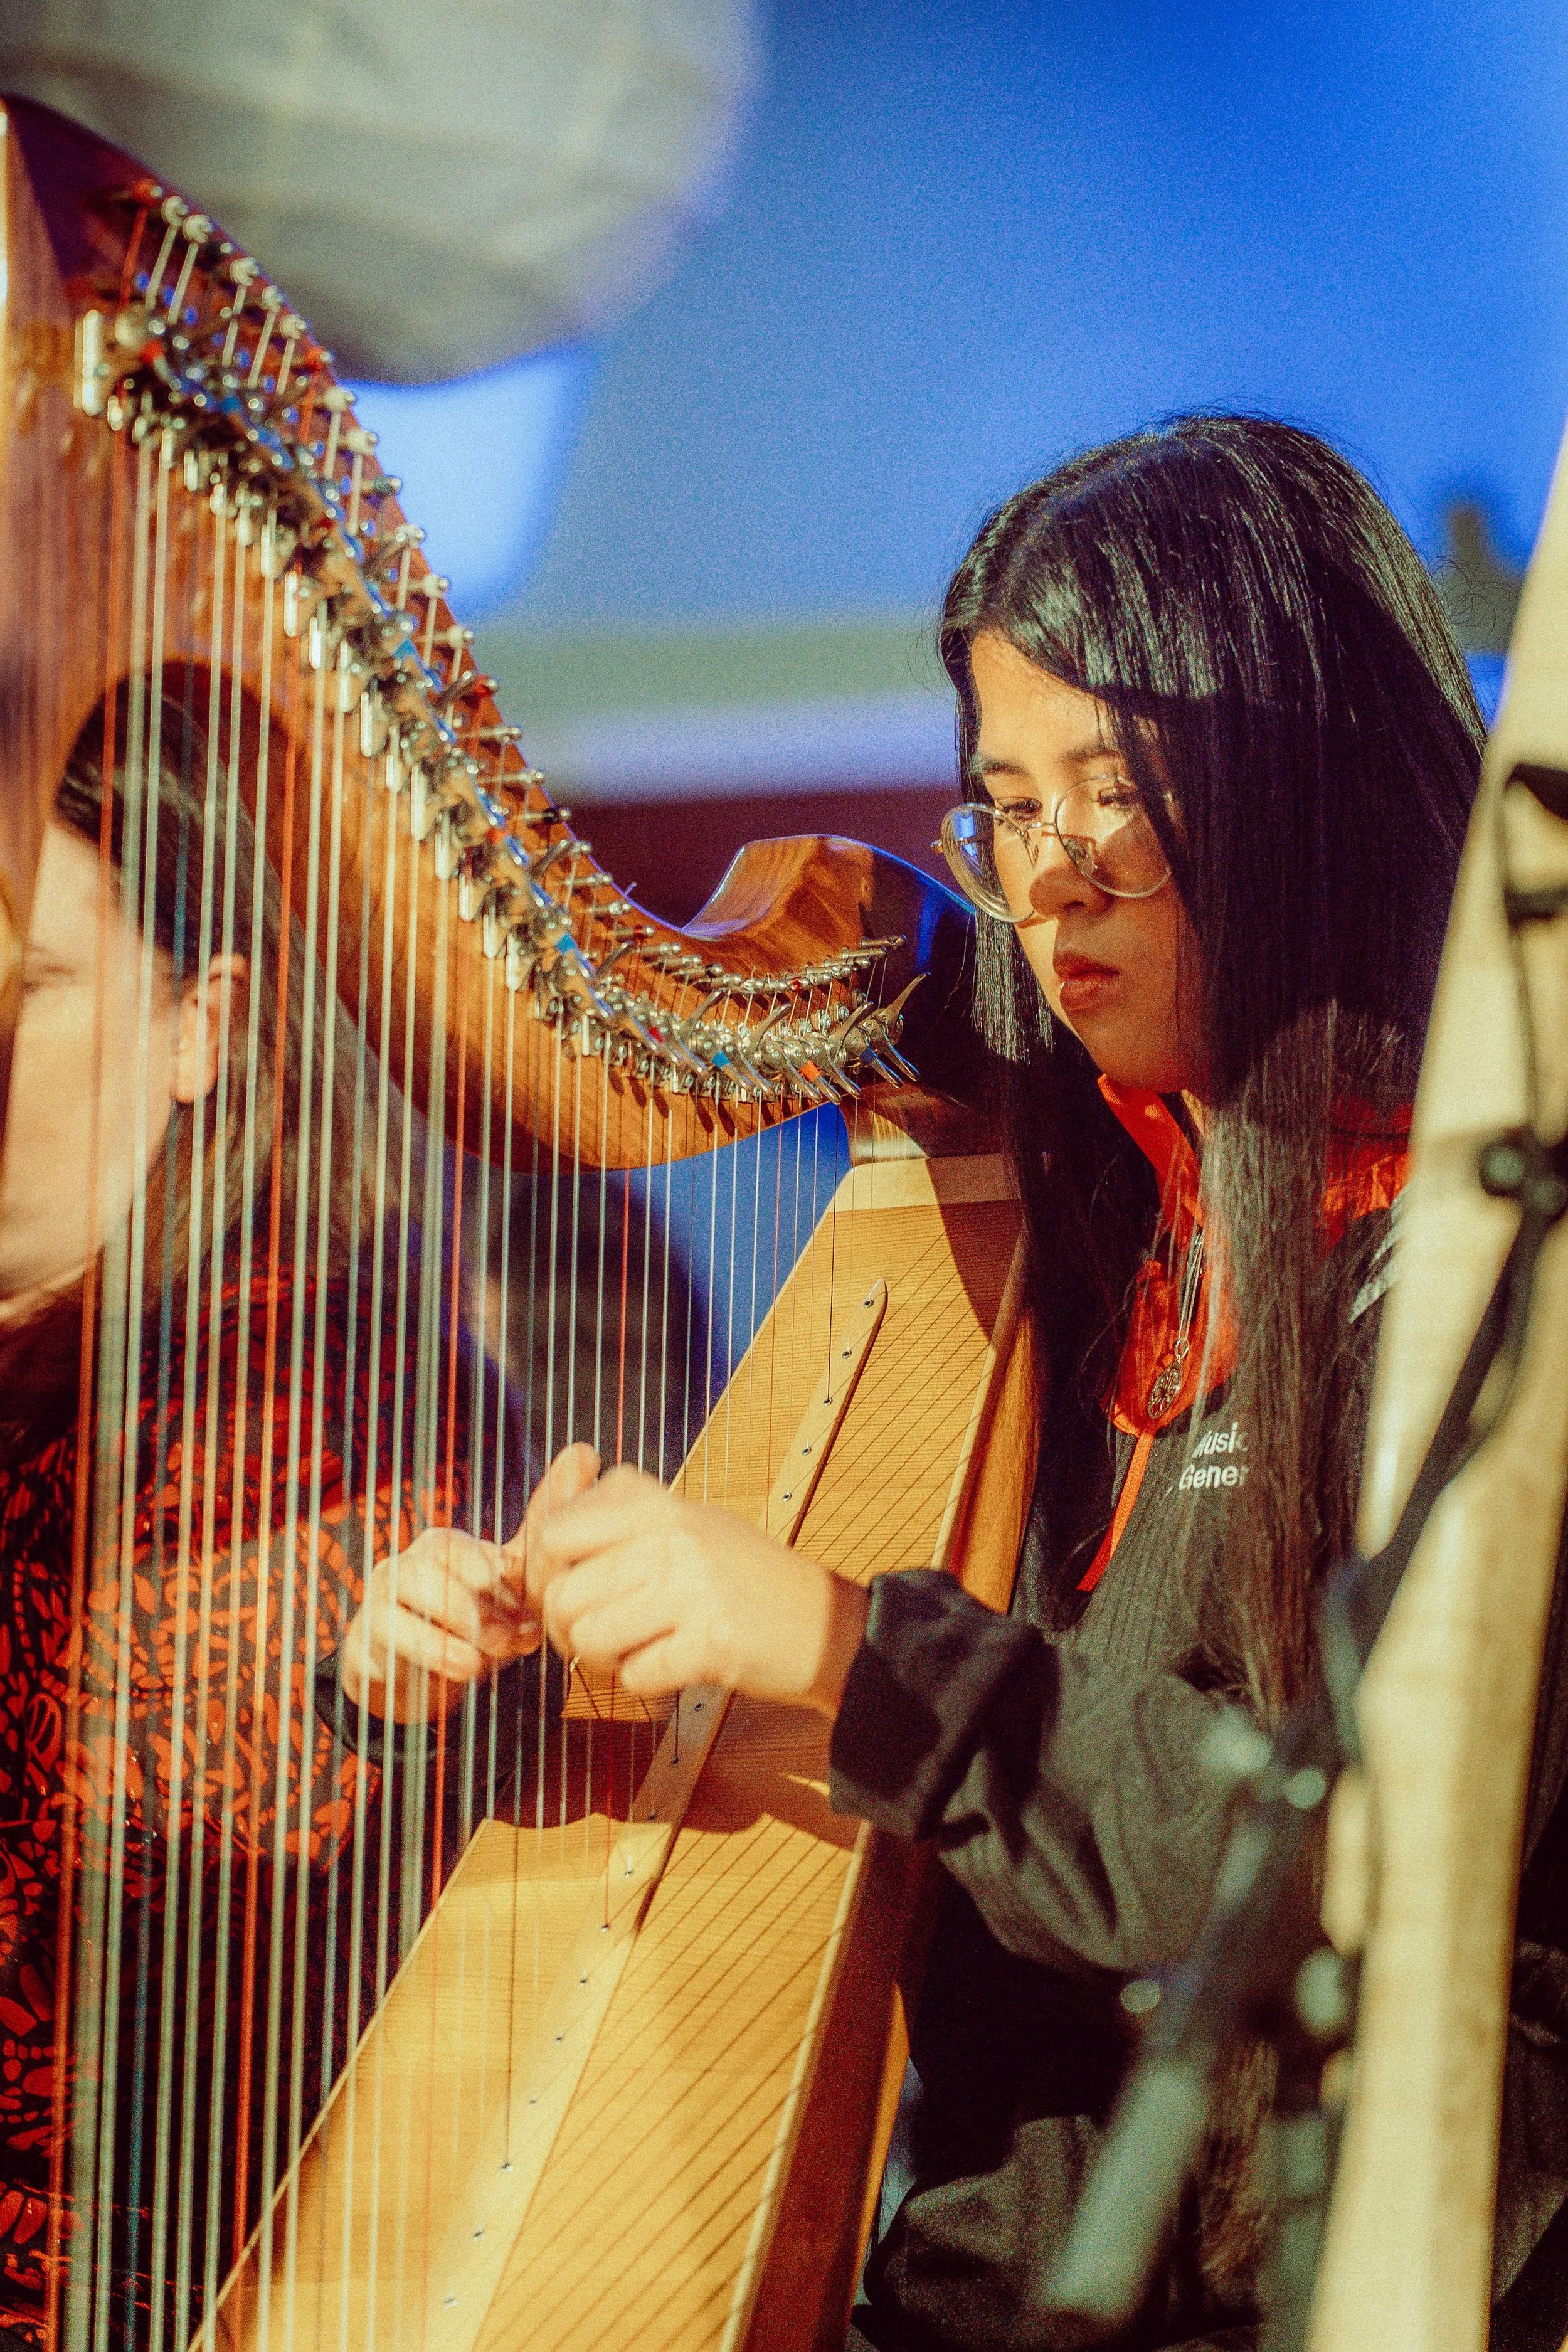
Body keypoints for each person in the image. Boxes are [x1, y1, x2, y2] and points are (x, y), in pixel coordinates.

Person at [354, 415, 1568, 2350]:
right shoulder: (1088, 1223)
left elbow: (1347, 1844)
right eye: (1006, 806)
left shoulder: (1472, 1276)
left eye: (1117, 797)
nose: (1053, 881)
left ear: (1304, 783)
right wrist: (532, 1663)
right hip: (1011, 2282)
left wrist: (845, 1645)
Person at [0, 690, 535, 2351]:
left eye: (31, 988)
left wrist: (351, 1680)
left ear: (201, 1024)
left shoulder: (332, 1394)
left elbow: (203, 1737)